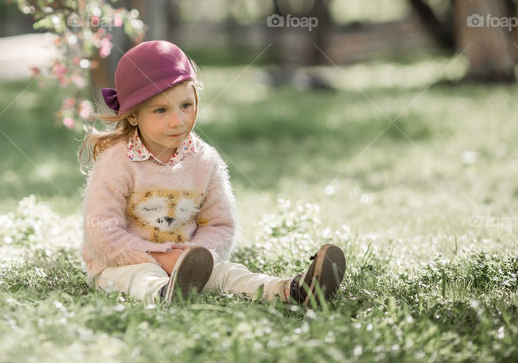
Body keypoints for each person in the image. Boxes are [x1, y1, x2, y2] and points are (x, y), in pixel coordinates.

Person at [79, 40, 346, 304]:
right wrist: (160, 259)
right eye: (160, 110)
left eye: (186, 105)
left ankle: (293, 290)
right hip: (121, 265)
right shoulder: (117, 162)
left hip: (187, 265)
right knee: (142, 276)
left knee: (230, 274)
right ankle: (164, 294)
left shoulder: (204, 160)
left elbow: (220, 224)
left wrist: (195, 256)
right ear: (133, 116)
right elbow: (102, 233)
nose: (178, 120)